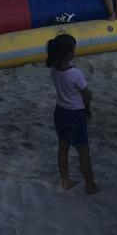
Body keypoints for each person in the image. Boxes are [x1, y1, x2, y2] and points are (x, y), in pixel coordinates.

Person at [47, 33, 98, 193]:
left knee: (63, 148)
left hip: (60, 112)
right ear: (69, 53)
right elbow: (87, 94)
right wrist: (88, 110)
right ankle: (90, 185)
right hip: (75, 114)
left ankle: (65, 181)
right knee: (83, 151)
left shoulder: (54, 70)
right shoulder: (75, 74)